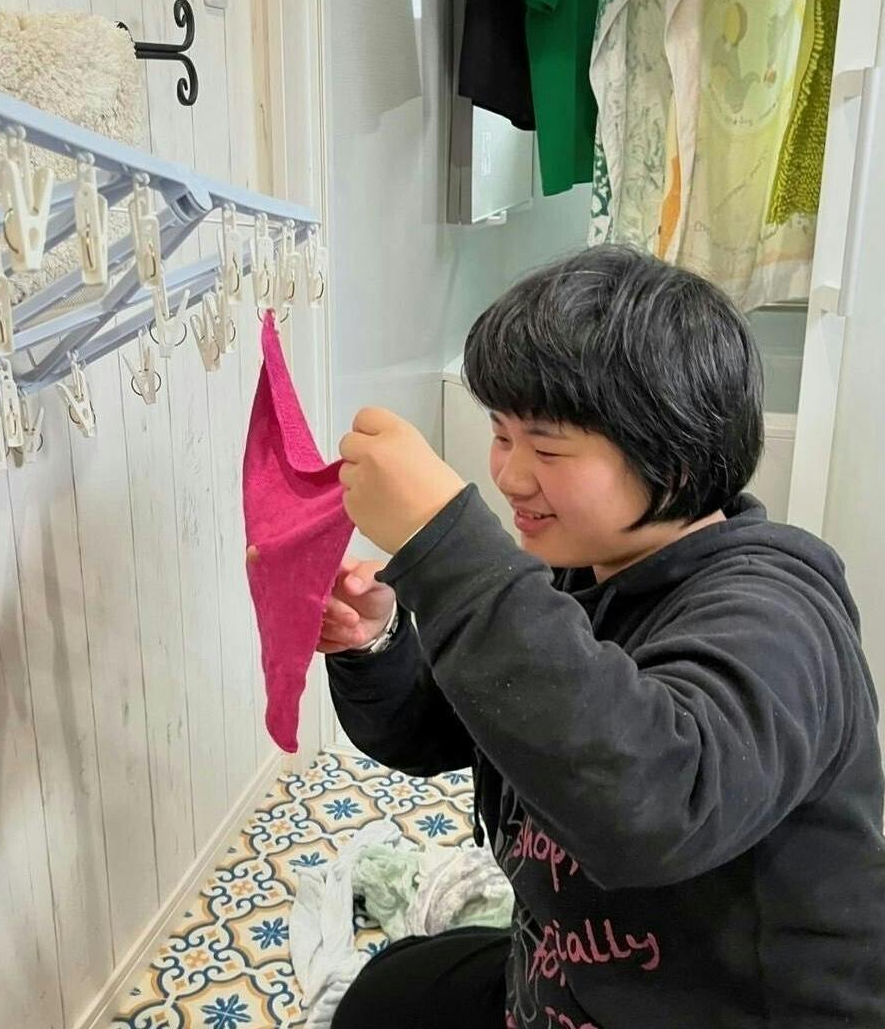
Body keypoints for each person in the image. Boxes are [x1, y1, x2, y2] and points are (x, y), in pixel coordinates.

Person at [322, 244, 885, 1029]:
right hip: (566, 972)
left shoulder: (779, 616)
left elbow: (652, 809)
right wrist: (377, 642)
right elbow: (459, 725)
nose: (508, 476)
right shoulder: (575, 575)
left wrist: (444, 545)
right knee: (390, 992)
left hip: (736, 1006)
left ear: (673, 462)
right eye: (500, 434)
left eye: (547, 447)